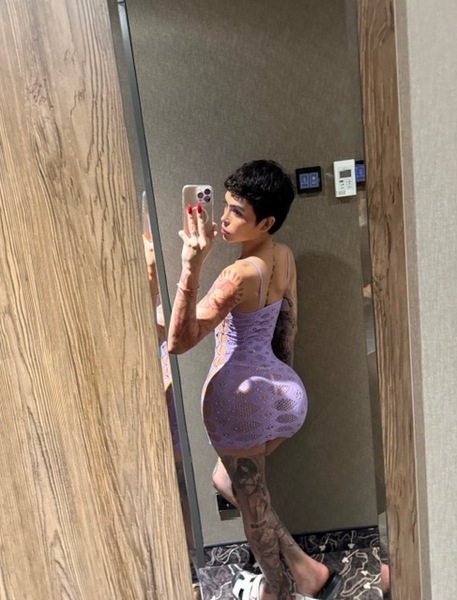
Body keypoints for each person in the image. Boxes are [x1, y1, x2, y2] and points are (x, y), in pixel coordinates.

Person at [167, 160, 342, 600]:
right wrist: (283, 388)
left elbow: (178, 342)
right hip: (282, 390)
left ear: (265, 222)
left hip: (238, 401)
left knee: (255, 512)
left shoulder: (236, 276)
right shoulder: (283, 256)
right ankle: (306, 569)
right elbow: (288, 328)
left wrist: (191, 265)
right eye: (226, 205)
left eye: (237, 212)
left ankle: (279, 591)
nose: (224, 219)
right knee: (229, 483)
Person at [142, 229, 201, 600]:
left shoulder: (166, 304)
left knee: (182, 484)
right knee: (162, 487)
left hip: (174, 406)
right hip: (148, 409)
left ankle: (191, 568)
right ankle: (177, 568)